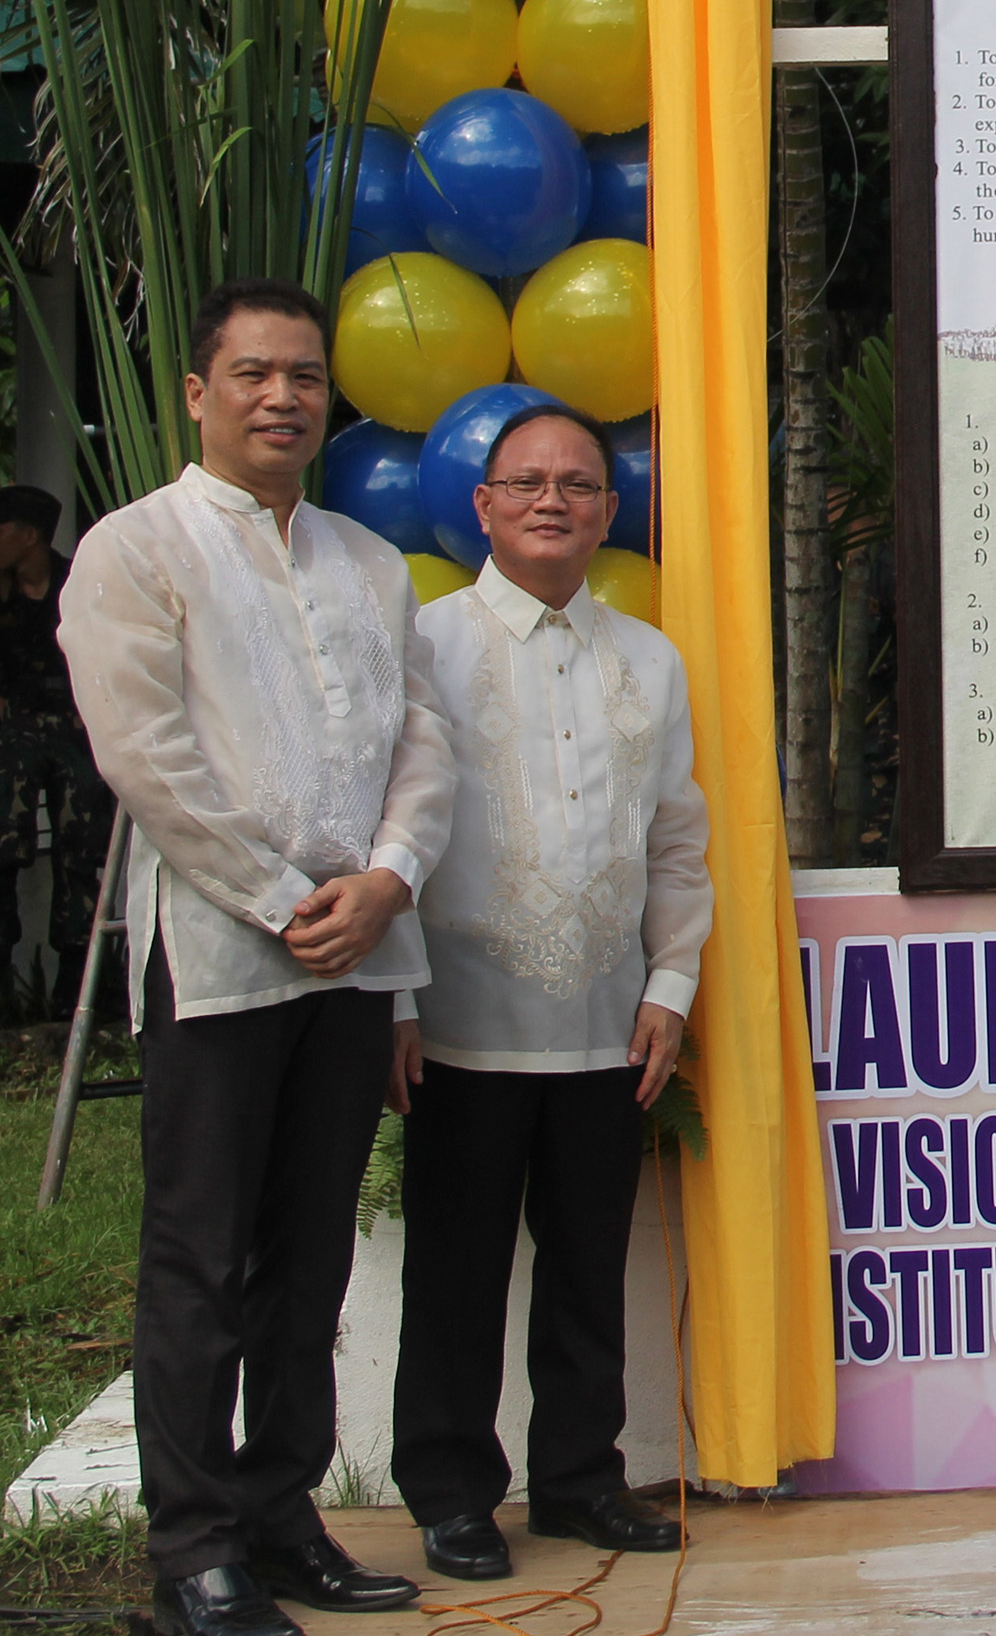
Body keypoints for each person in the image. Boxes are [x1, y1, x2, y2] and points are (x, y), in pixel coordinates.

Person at [58, 280, 454, 1636]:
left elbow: (424, 744)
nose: (283, 397)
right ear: (198, 392)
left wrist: (389, 880)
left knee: (311, 1258)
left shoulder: (367, 559)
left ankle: (285, 1521)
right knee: (201, 1255)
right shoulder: (135, 549)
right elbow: (149, 762)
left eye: (303, 377)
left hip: (353, 963)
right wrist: (298, 900)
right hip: (224, 964)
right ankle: (194, 1550)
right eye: (254, 374)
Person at [387, 404, 711, 1583]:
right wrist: (393, 1002)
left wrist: (670, 981)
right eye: (526, 481)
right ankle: (451, 1492)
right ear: (482, 504)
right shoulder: (422, 643)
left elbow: (677, 838)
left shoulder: (649, 658)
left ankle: (578, 1480)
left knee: (587, 1266)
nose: (552, 500)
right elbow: (387, 836)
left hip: (606, 1020)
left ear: (608, 512)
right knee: (458, 1271)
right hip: (459, 1021)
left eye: (579, 483)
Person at [0, 485, 109, 1011]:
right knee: (4, 851)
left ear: (28, 536)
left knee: (83, 851)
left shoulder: (78, 584)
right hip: (10, 739)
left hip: (75, 734)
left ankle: (79, 988)